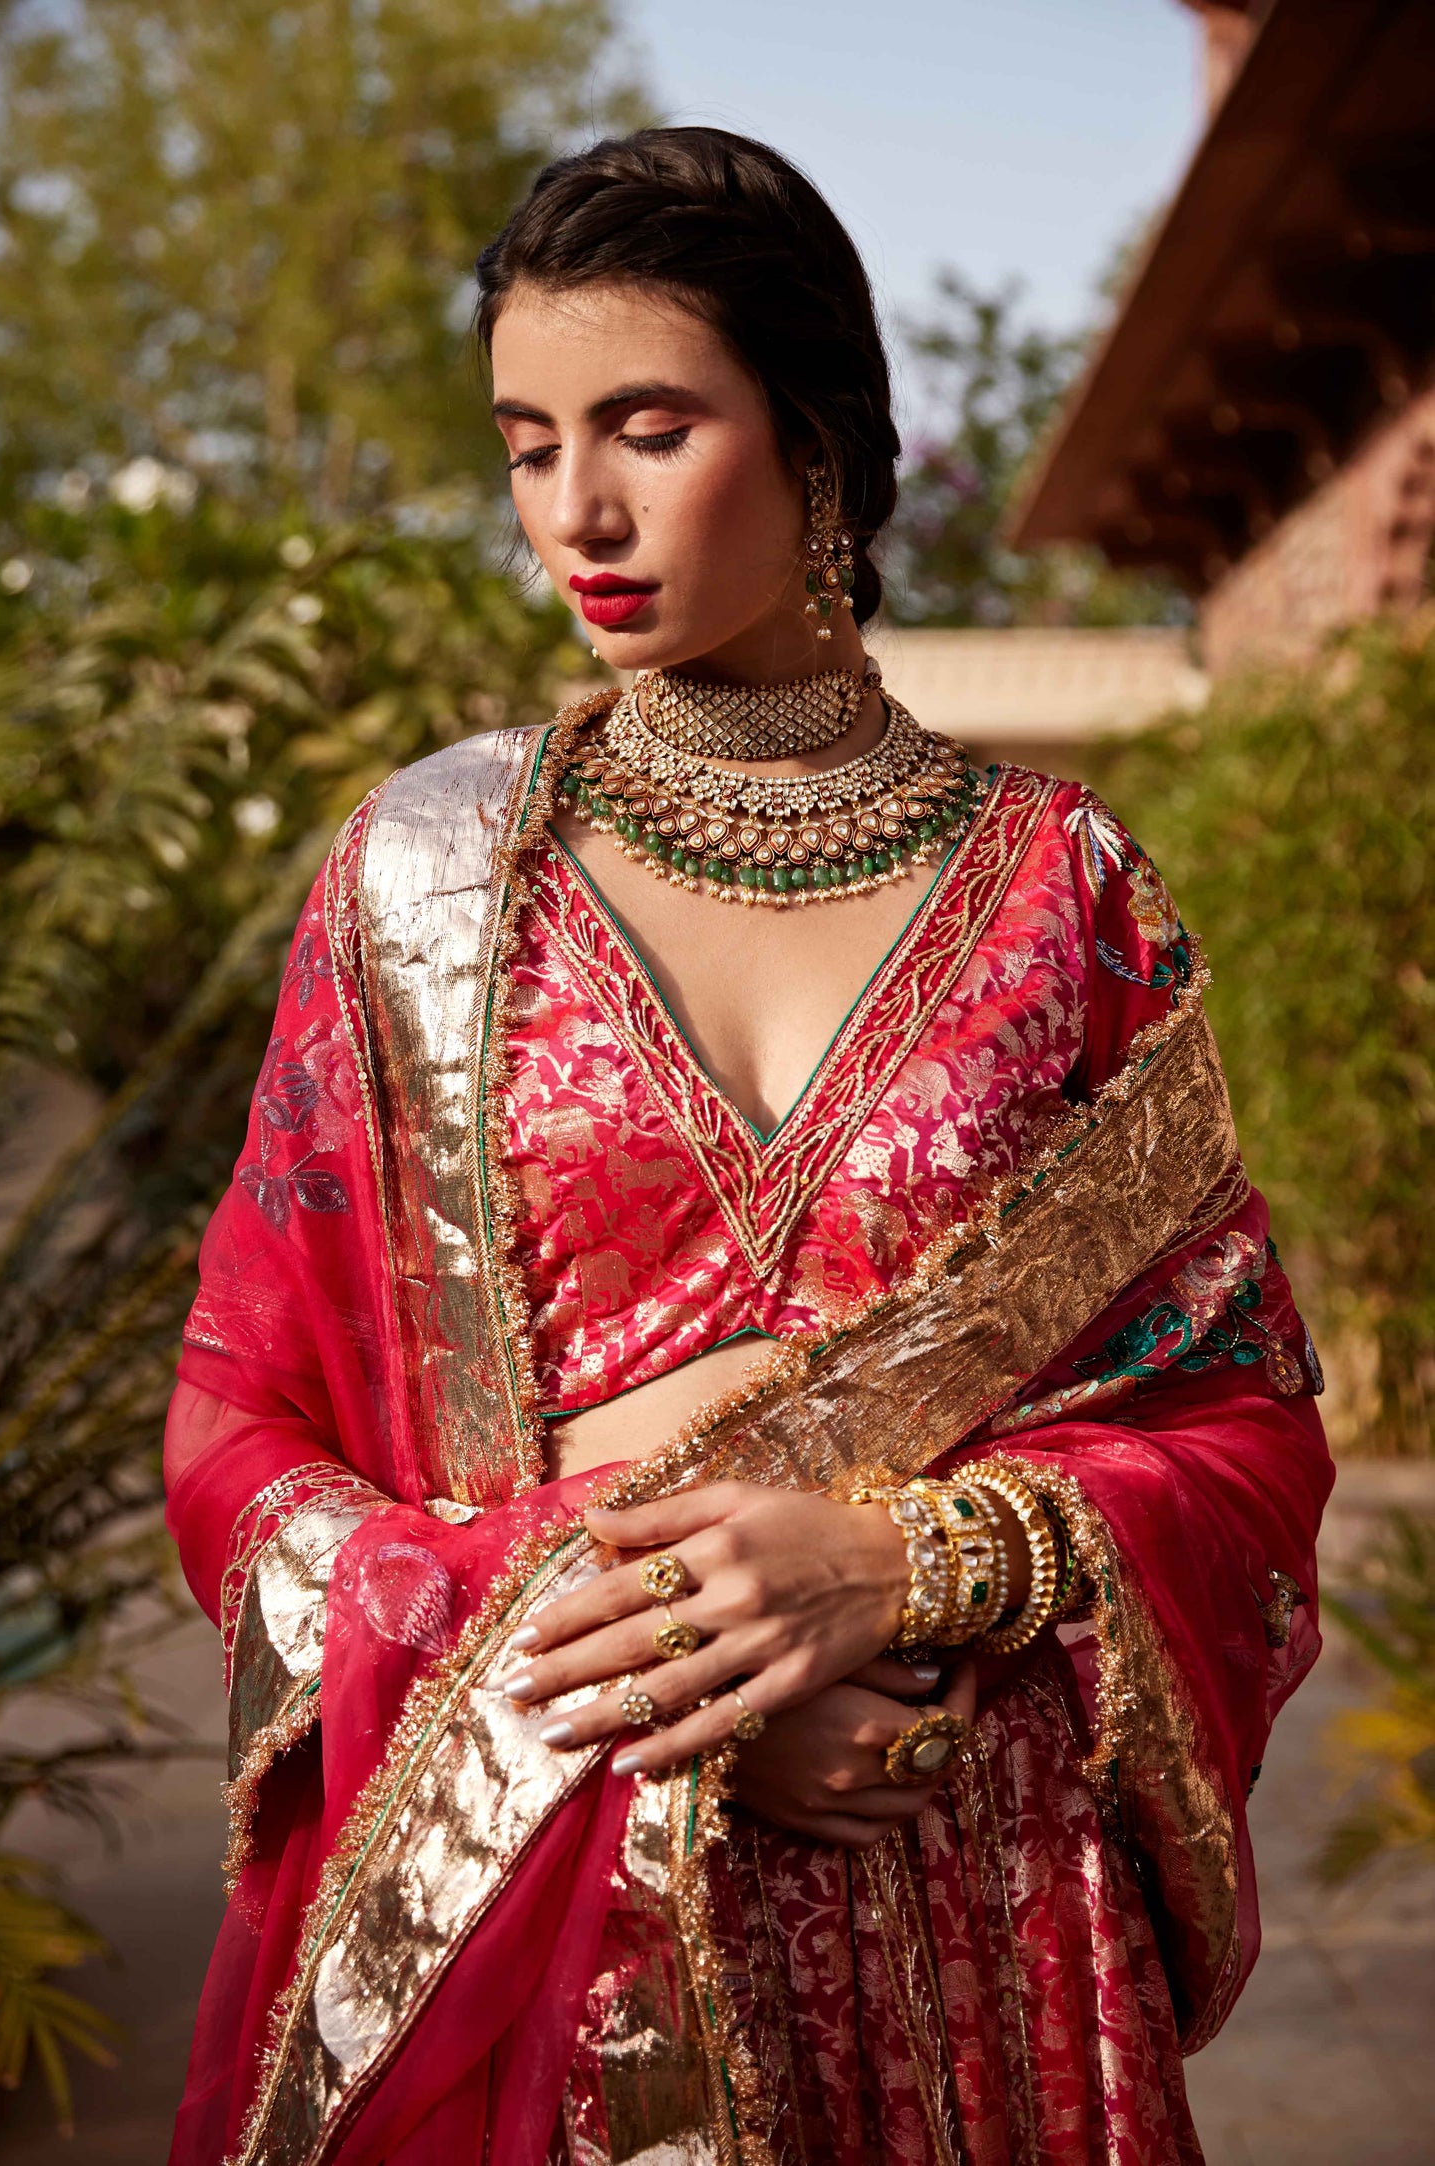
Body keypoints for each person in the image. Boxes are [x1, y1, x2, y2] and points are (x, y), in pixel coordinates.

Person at [164, 128, 1332, 2166]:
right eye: (529, 445)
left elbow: (1239, 1413)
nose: (578, 514)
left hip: (979, 1891)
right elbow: (240, 1436)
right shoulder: (422, 888)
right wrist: (658, 1684)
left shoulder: (1065, 890)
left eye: (647, 425)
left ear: (813, 437)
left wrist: (896, 1565)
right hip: (554, 1916)